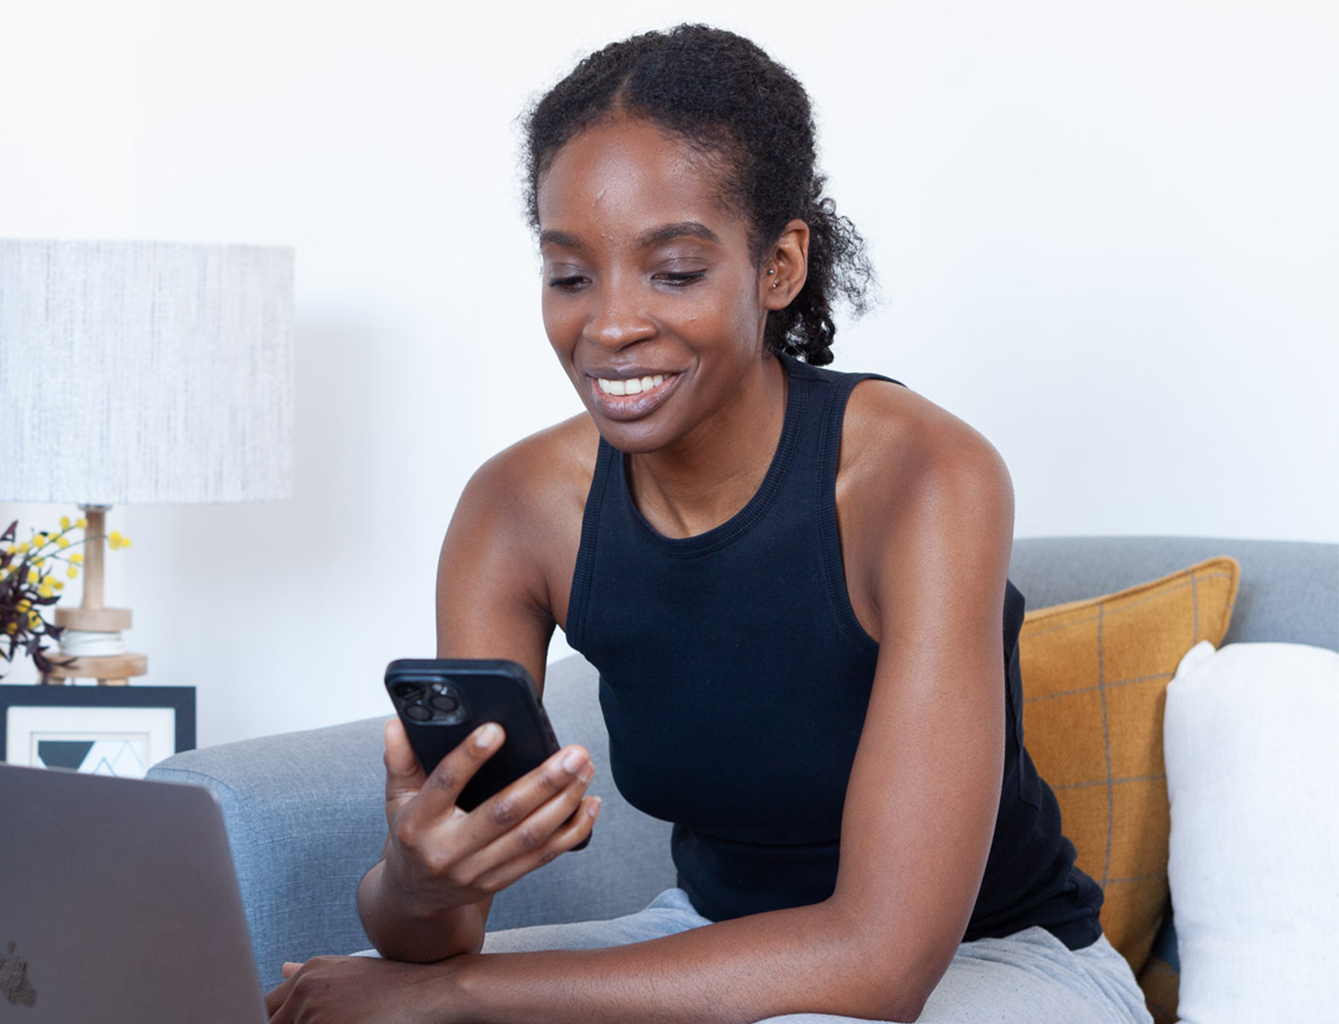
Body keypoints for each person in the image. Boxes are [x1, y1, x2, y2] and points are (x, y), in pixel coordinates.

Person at [263, 24, 1150, 1024]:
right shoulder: (516, 510)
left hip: (996, 963)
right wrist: (422, 884)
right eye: (568, 275)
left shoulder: (922, 476)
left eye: (672, 272)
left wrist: (464, 991)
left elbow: (881, 962)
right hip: (705, 940)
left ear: (777, 266)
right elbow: (426, 942)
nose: (607, 325)